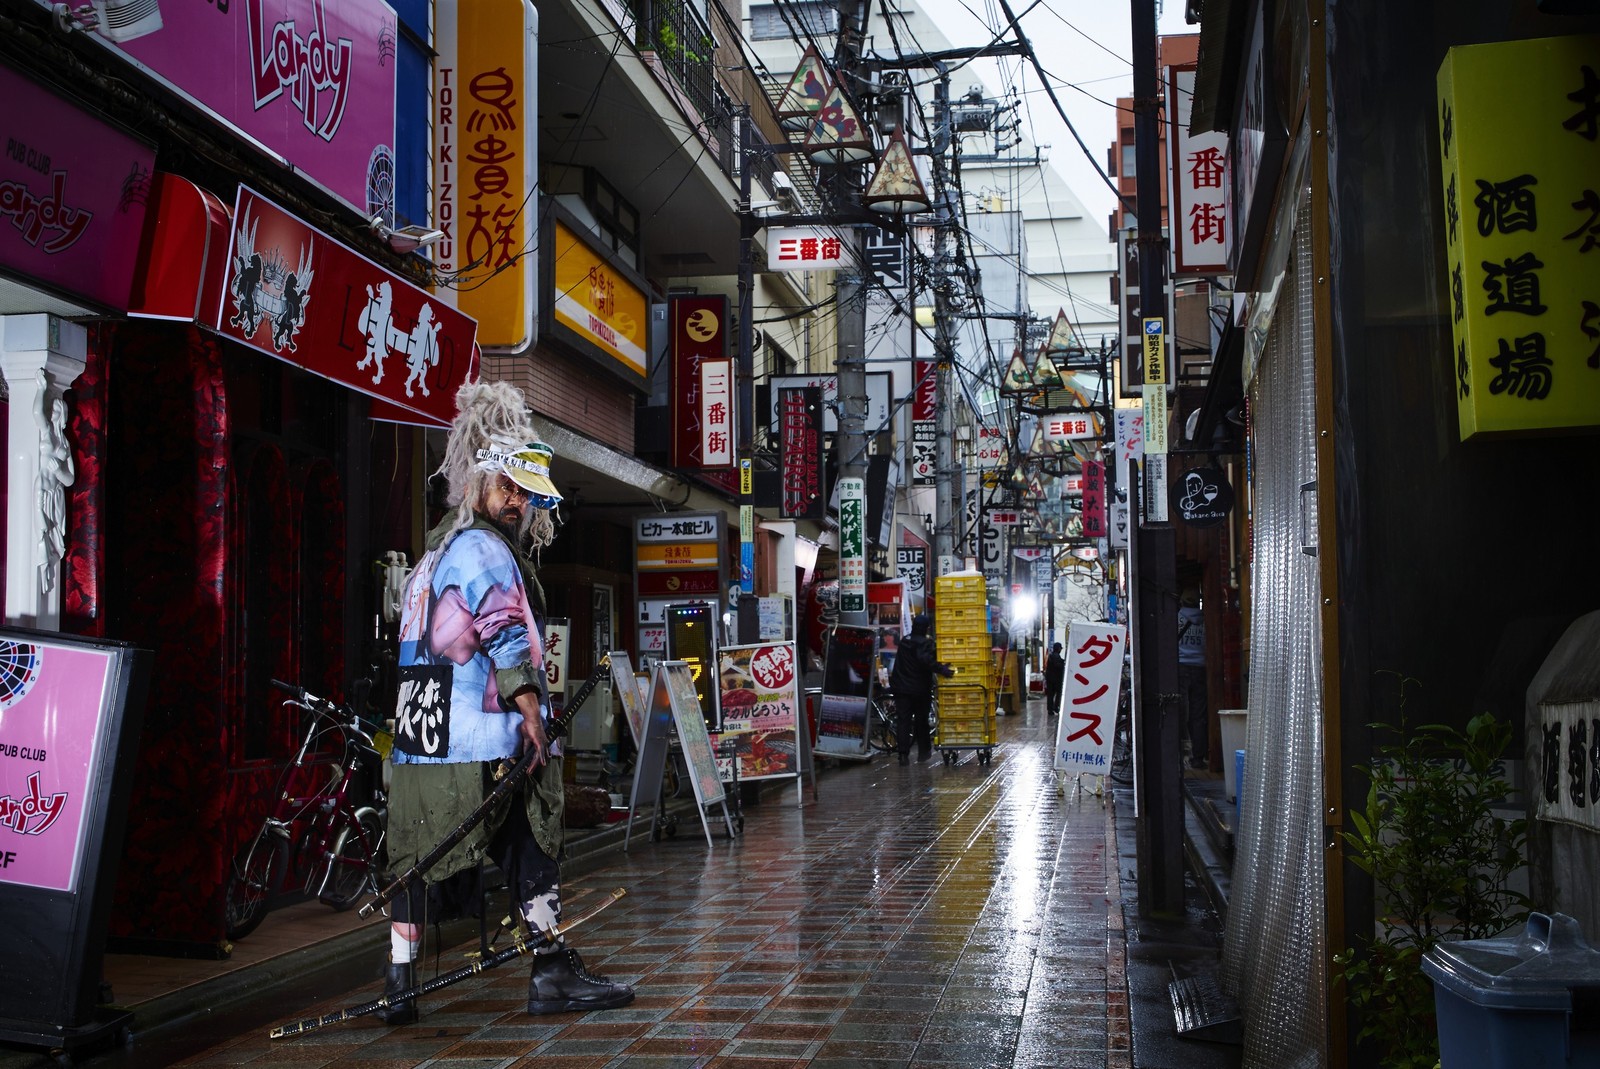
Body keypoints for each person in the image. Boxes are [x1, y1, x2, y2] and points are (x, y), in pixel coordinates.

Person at [380, 380, 633, 1024]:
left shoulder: (429, 559)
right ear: (475, 482)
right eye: (507, 488)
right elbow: (504, 630)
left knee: (416, 856)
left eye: (525, 493)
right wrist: (530, 712)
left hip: (421, 739)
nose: (517, 502)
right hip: (479, 739)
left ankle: (399, 983)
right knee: (529, 840)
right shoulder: (484, 548)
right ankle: (550, 966)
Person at [888, 614, 954, 764]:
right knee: (921, 721)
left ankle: (903, 755)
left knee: (903, 721)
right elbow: (926, 661)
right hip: (919, 689)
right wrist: (942, 669)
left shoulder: (905, 640)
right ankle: (923, 753)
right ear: (926, 628)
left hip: (901, 689)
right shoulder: (925, 642)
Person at [1177, 585, 1208, 770]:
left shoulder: (1177, 618)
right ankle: (1198, 757)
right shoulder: (1205, 620)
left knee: (1180, 711)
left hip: (1180, 667)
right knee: (1199, 713)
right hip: (1200, 668)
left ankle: (1179, 752)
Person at [1044, 642, 1065, 717]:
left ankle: (1050, 709)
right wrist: (1063, 664)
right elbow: (1058, 665)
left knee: (1050, 695)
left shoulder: (1051, 656)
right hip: (1056, 679)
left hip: (1050, 679)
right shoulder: (1056, 656)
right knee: (1058, 694)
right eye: (1060, 649)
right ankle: (1056, 707)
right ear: (1058, 649)